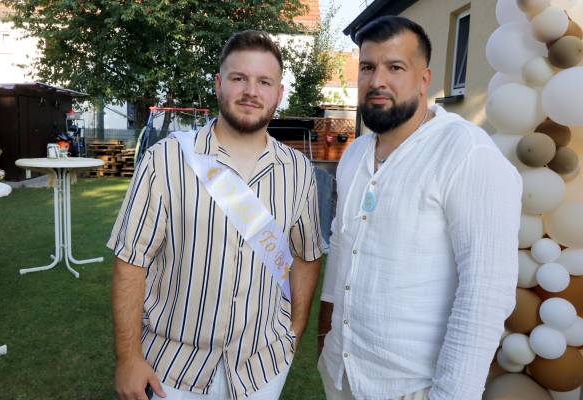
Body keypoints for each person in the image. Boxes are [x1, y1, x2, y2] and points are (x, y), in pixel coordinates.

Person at [108, 30, 323, 400]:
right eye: (239, 78)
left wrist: (295, 331)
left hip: (261, 370)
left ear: (278, 93)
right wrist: (128, 357)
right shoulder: (165, 160)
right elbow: (131, 261)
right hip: (173, 370)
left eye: (264, 82)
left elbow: (307, 254)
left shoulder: (299, 170)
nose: (251, 91)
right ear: (219, 84)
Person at [317, 16, 522, 400]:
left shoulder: (467, 153)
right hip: (342, 374)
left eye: (395, 67)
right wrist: (325, 337)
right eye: (367, 67)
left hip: (412, 386)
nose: (377, 81)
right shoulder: (355, 153)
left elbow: (485, 294)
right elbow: (342, 247)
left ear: (424, 79)